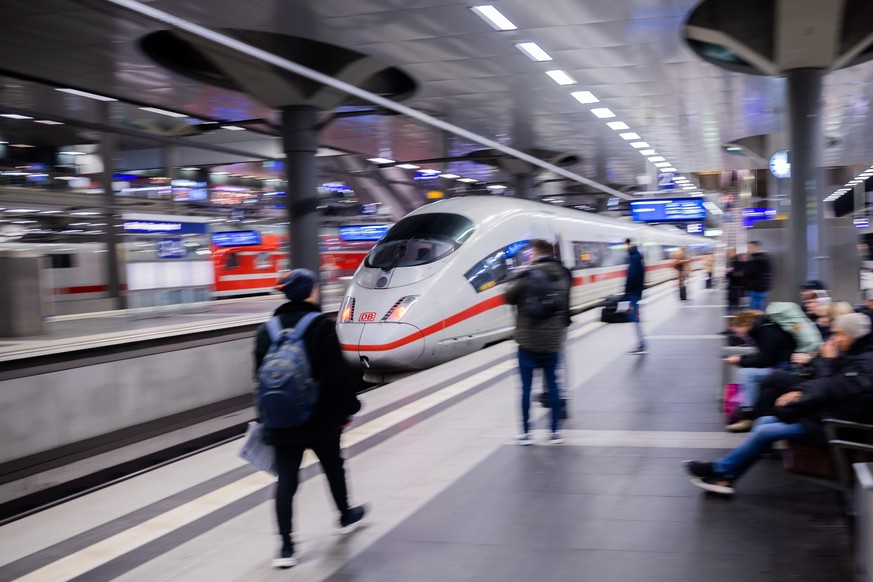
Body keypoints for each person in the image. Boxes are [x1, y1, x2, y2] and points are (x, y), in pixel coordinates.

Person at [683, 313, 873, 496]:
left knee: (767, 430)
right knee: (765, 421)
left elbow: (830, 388)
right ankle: (726, 476)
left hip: (837, 426)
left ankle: (721, 471)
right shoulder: (855, 356)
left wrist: (827, 361)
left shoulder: (865, 364)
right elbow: (826, 384)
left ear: (853, 335)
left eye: (839, 334)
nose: (835, 339)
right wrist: (804, 387)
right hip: (827, 416)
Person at [254, 269, 366, 569]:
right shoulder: (321, 326)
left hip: (282, 422)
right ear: (310, 292)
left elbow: (259, 380)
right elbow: (336, 375)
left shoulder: (267, 330)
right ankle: (345, 516)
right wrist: (348, 409)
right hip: (320, 420)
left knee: (287, 481)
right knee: (333, 466)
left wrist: (265, 419)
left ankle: (286, 547)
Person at [505, 239, 572, 445]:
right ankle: (554, 433)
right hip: (553, 341)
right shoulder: (563, 274)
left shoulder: (528, 274)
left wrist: (520, 274)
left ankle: (525, 433)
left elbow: (509, 296)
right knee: (553, 385)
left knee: (526, 388)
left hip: (528, 341)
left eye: (529, 253)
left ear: (535, 253)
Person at [722, 309, 796, 432]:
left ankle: (748, 413)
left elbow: (765, 360)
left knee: (747, 374)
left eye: (738, 331)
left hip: (785, 369)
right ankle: (748, 411)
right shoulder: (761, 329)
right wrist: (742, 358)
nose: (739, 335)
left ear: (744, 325)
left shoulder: (766, 332)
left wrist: (740, 361)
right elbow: (765, 357)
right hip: (782, 366)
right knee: (749, 374)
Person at [624, 238, 647, 355]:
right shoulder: (638, 257)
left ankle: (641, 344)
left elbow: (632, 276)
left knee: (635, 318)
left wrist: (627, 291)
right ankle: (641, 343)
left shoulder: (634, 258)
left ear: (629, 245)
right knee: (634, 317)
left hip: (633, 292)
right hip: (636, 291)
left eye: (626, 245)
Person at [743, 241, 772, 310]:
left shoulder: (757, 259)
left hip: (757, 287)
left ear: (757, 248)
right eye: (748, 248)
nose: (748, 249)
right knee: (757, 308)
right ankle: (757, 319)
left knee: (755, 310)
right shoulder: (763, 257)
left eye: (750, 247)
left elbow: (750, 273)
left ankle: (757, 320)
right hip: (760, 286)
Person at [725, 248, 744, 313]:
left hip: (736, 282)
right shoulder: (732, 260)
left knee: (734, 295)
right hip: (733, 281)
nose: (728, 254)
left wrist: (729, 273)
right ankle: (732, 306)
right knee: (731, 295)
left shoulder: (739, 261)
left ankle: (734, 307)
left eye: (730, 252)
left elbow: (740, 272)